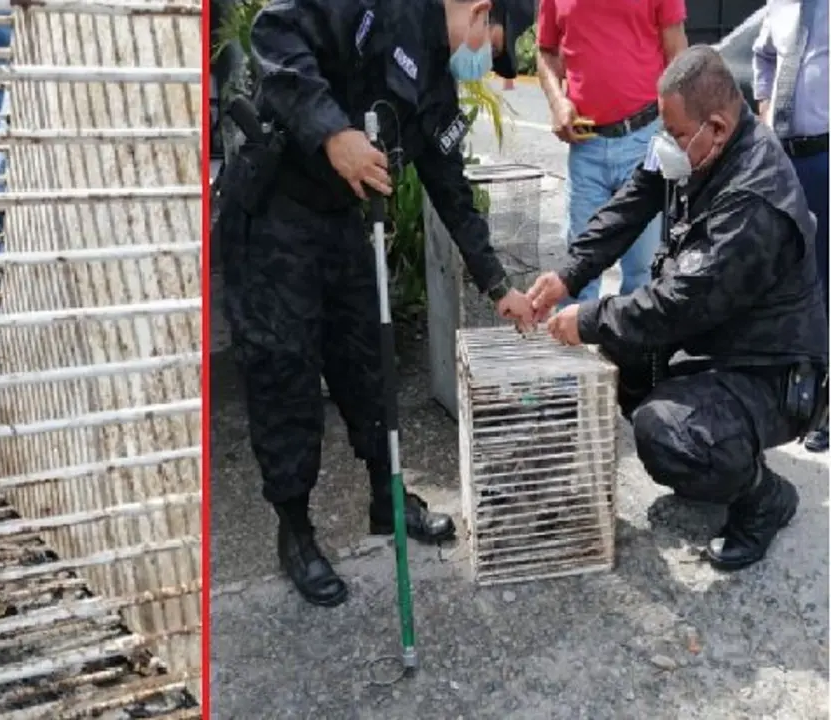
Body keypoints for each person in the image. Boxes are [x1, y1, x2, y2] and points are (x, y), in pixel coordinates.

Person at [215, 0, 536, 608]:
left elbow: (450, 188)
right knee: (283, 373)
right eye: (491, 44)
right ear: (480, 11)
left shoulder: (437, 79)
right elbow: (275, 33)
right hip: (276, 213)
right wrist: (333, 133)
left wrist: (499, 285)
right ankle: (296, 532)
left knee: (370, 360)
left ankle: (387, 499)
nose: (483, 61)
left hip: (340, 221)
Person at [527, 46, 827, 572]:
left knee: (663, 431)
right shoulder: (696, 145)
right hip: (718, 337)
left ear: (716, 126)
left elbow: (676, 305)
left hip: (772, 371)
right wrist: (569, 275)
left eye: (674, 133)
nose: (663, 143)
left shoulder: (754, 200)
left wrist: (590, 320)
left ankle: (763, 498)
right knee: (625, 351)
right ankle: (716, 450)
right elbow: (631, 203)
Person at [536, 0, 688, 306]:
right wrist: (557, 102)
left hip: (644, 139)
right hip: (586, 143)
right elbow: (546, 52)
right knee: (577, 271)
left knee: (642, 269)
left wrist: (676, 126)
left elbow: (677, 51)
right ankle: (573, 350)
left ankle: (633, 350)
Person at [753, 0, 830, 453]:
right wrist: (764, 108)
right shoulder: (780, 5)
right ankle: (789, 393)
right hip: (783, 160)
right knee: (785, 277)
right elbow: (763, 55)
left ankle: (824, 407)